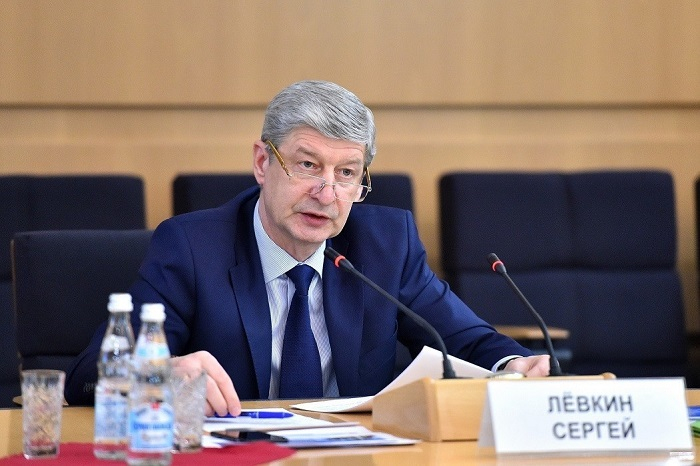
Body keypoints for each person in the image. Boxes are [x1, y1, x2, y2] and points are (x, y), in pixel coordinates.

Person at [64, 80, 550, 416]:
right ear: (262, 162)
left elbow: (467, 339)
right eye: (308, 165)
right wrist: (160, 374)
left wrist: (515, 365)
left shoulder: (386, 244)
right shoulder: (192, 247)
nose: (327, 193)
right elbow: (87, 376)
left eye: (346, 173)